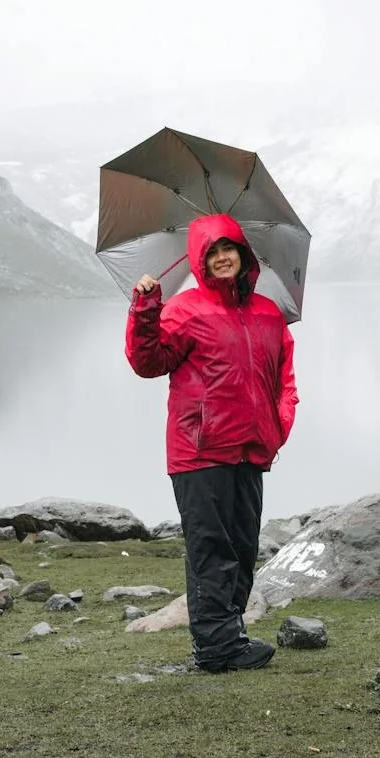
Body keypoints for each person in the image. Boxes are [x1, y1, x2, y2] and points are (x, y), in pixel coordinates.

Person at [125, 213, 298, 673]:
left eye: (230, 249)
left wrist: (276, 429)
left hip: (251, 449)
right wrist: (145, 309)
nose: (223, 258)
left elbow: (284, 381)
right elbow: (148, 362)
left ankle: (231, 635)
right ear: (201, 261)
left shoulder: (267, 314)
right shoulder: (183, 310)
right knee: (211, 551)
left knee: (243, 549)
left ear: (244, 255)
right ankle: (216, 649)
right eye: (213, 252)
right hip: (199, 451)